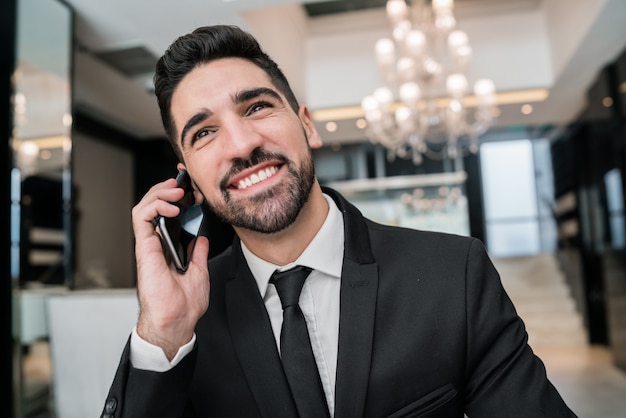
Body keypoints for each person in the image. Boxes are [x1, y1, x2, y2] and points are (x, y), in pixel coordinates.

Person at [102, 25, 576, 418]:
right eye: (204, 133)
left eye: (257, 107)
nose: (242, 144)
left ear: (307, 125)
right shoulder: (185, 326)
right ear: (190, 181)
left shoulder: (454, 272)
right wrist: (162, 334)